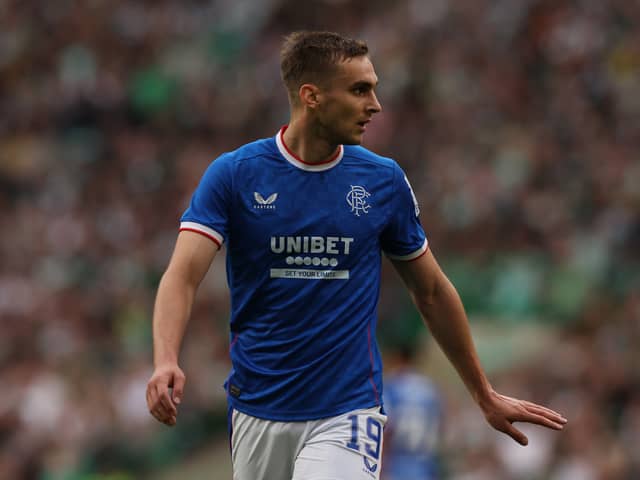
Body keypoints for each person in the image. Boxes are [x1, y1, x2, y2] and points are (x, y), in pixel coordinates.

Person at [146, 30, 567, 480]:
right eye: (360, 89)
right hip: (256, 408)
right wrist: (166, 359)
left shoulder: (382, 181)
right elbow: (182, 275)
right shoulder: (234, 175)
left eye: (374, 88)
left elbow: (430, 290)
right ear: (312, 96)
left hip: (347, 410)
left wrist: (482, 392)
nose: (376, 104)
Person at [381, 334, 443, 480]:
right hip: (424, 468)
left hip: (397, 467)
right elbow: (439, 428)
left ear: (396, 357)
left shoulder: (390, 386)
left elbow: (387, 429)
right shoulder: (430, 389)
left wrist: (382, 468)